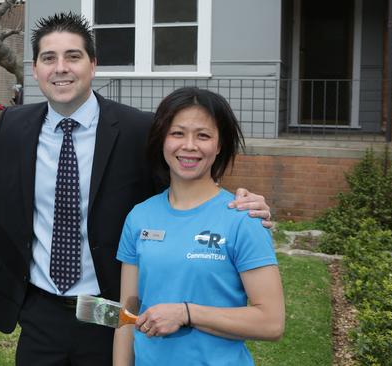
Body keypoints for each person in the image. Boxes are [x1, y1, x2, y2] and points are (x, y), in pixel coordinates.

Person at [0, 12, 272, 365]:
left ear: (93, 65)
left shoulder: (137, 130)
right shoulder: (15, 125)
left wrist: (238, 203)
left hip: (110, 312)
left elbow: (186, 188)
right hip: (39, 310)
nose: (61, 68)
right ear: (35, 70)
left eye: (73, 56)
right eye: (49, 58)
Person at [113, 87, 285, 365]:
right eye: (177, 133)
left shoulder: (242, 218)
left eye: (203, 135)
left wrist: (186, 314)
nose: (189, 145)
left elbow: (271, 322)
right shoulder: (139, 217)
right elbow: (127, 315)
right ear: (162, 140)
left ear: (219, 146)